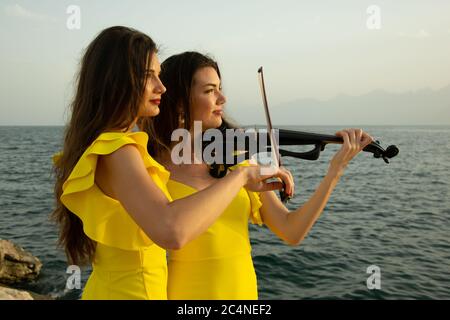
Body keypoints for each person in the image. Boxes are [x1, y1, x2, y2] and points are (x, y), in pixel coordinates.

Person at [52, 27, 291, 300]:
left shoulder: (110, 147)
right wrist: (240, 177)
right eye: (148, 75)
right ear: (117, 79)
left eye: (159, 75)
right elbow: (172, 230)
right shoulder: (119, 150)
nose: (161, 87)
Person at [142, 51, 374, 299]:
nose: (222, 97)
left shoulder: (236, 162)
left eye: (219, 88)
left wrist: (334, 172)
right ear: (179, 100)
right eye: (209, 91)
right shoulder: (150, 168)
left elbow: (291, 231)